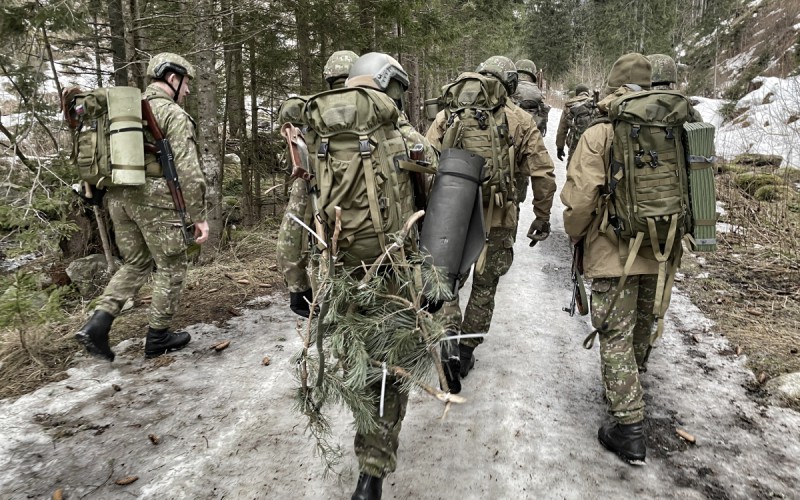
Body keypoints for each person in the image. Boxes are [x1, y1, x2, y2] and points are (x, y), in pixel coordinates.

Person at [426, 55, 555, 392]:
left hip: (452, 212)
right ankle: (466, 351)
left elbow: (426, 160)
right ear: (509, 83)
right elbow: (543, 172)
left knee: (447, 279)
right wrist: (541, 216)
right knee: (485, 286)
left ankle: (447, 338)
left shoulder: (448, 114)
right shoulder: (519, 118)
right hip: (499, 215)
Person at [75, 52, 209, 361]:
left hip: (117, 198)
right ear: (172, 79)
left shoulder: (122, 110)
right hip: (154, 200)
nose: (188, 90)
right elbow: (189, 170)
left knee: (136, 262)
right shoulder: (172, 113)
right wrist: (199, 216)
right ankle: (158, 337)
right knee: (172, 265)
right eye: (186, 83)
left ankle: (97, 325)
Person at [561, 52, 656, 465]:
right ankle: (628, 388)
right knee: (640, 327)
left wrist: (575, 233)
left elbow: (581, 199)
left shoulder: (601, 132)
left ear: (612, 85)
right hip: (660, 247)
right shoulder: (672, 128)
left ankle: (629, 430)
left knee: (615, 333)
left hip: (613, 247)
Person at [277, 50, 359, 317]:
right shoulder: (378, 116)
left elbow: (292, 230)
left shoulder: (313, 120)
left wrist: (297, 288)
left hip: (330, 244)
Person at [555, 83, 593, 167]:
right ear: (587, 92)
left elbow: (562, 128)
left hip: (574, 143)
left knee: (572, 167)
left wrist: (560, 147)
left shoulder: (570, 104)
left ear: (576, 93)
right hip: (591, 143)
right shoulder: (593, 104)